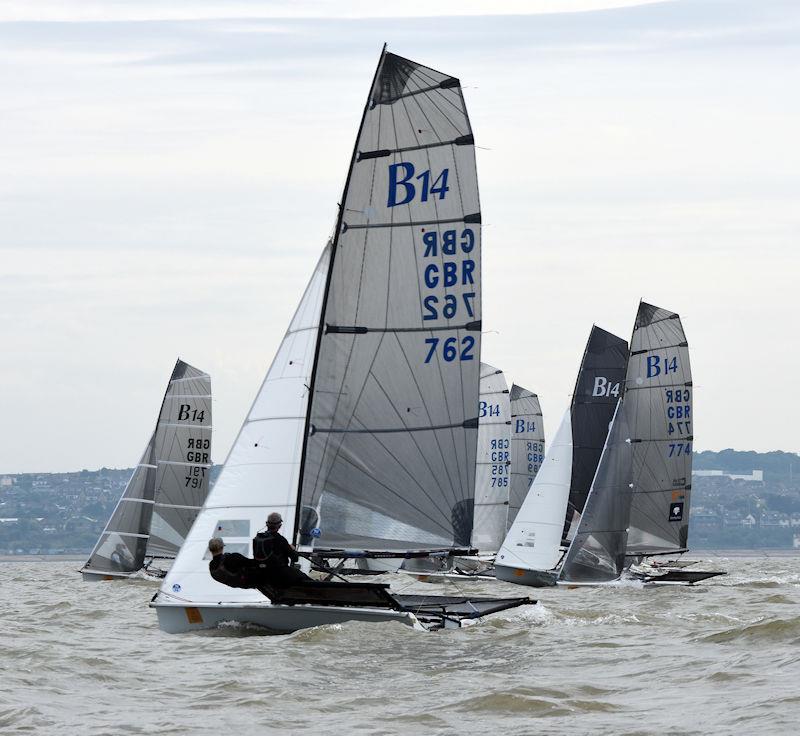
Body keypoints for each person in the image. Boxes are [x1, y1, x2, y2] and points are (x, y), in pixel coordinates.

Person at [252, 512, 311, 587]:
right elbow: (295, 558)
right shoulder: (280, 539)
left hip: (262, 574)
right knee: (302, 577)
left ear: (266, 524)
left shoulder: (257, 539)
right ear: (279, 525)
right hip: (279, 574)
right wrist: (292, 549)